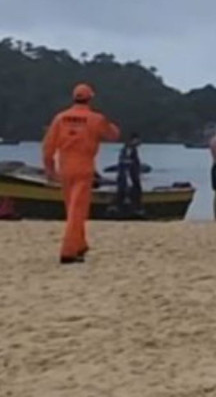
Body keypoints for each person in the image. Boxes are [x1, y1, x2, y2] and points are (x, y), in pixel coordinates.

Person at [42, 84, 120, 264]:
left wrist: (49, 169)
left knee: (72, 209)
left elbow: (48, 147)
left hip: (65, 167)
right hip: (84, 167)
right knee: (78, 210)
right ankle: (69, 250)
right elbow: (112, 135)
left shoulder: (60, 118)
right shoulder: (95, 119)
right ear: (90, 98)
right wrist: (112, 125)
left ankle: (80, 245)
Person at [114, 132, 143, 217]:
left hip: (130, 174)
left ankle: (133, 208)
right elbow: (125, 161)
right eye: (138, 140)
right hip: (128, 175)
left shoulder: (131, 149)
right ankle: (132, 209)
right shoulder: (128, 149)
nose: (139, 142)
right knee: (131, 190)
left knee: (130, 191)